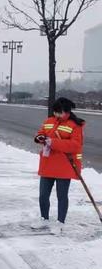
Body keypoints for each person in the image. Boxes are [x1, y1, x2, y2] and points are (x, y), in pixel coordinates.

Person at [34, 97, 85, 229]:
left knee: (62, 196)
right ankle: (44, 217)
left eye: (59, 112)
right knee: (43, 195)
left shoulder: (75, 125)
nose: (56, 115)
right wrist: (39, 137)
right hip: (47, 164)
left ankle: (60, 221)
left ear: (67, 112)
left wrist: (53, 142)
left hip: (64, 166)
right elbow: (42, 132)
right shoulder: (49, 121)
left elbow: (75, 145)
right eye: (55, 112)